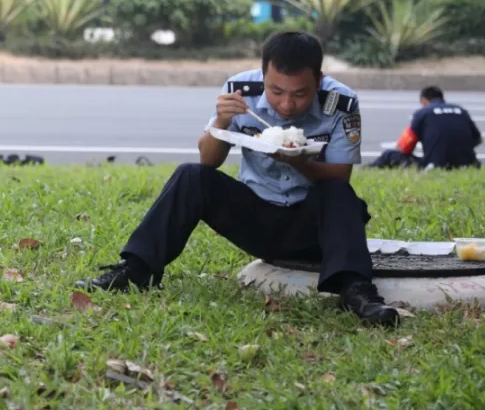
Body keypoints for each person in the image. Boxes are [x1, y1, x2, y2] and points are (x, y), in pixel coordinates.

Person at [78, 31, 399, 327]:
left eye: (300, 93)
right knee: (190, 175)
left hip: (312, 227)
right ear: (263, 76)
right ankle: (137, 270)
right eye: (276, 91)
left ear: (318, 79)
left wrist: (298, 161)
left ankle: (356, 290)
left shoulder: (341, 102)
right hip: (254, 218)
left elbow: (340, 175)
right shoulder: (239, 91)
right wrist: (221, 120)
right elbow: (209, 160)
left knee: (339, 193)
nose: (287, 104)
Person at [370, 86, 482, 170]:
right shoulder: (461, 110)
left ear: (424, 100)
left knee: (389, 155)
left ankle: (368, 170)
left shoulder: (422, 113)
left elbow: (404, 147)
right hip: (467, 164)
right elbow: (478, 139)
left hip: (435, 165)